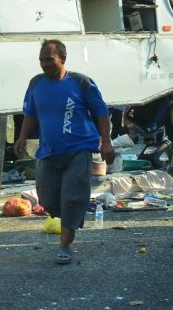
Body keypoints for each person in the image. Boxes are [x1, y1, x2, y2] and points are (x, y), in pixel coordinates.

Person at [13, 39, 115, 265]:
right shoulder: (36, 83)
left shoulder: (81, 82)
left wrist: (106, 142)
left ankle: (65, 246)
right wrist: (21, 137)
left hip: (79, 150)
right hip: (48, 151)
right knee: (47, 197)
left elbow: (101, 113)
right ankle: (69, 218)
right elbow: (30, 113)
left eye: (49, 59)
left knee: (72, 198)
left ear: (63, 59)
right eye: (41, 60)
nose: (44, 64)